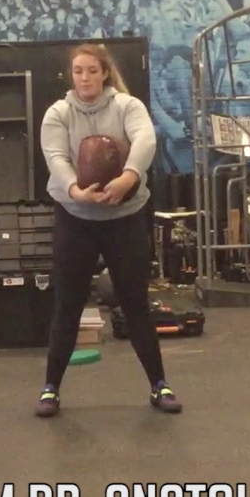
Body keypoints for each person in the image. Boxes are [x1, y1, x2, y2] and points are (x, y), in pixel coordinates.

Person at [34, 43, 180, 417]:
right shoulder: (58, 113)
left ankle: (160, 386)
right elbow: (55, 157)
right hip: (75, 219)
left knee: (135, 304)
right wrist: (75, 190)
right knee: (67, 305)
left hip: (124, 217)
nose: (84, 78)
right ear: (72, 75)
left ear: (104, 73)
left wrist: (128, 177)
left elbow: (146, 140)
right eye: (78, 71)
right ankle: (50, 390)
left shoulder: (127, 106)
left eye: (91, 71)